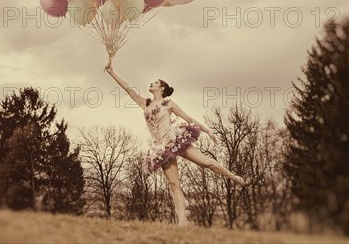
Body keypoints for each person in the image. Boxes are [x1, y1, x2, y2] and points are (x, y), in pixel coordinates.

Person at [104, 60, 246, 226]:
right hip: (160, 149)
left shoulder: (169, 104)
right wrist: (111, 71)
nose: (152, 83)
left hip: (175, 140)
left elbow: (188, 118)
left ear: (162, 88)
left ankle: (233, 177)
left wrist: (208, 130)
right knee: (173, 184)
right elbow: (127, 88)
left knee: (206, 163)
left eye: (155, 82)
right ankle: (182, 221)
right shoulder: (145, 104)